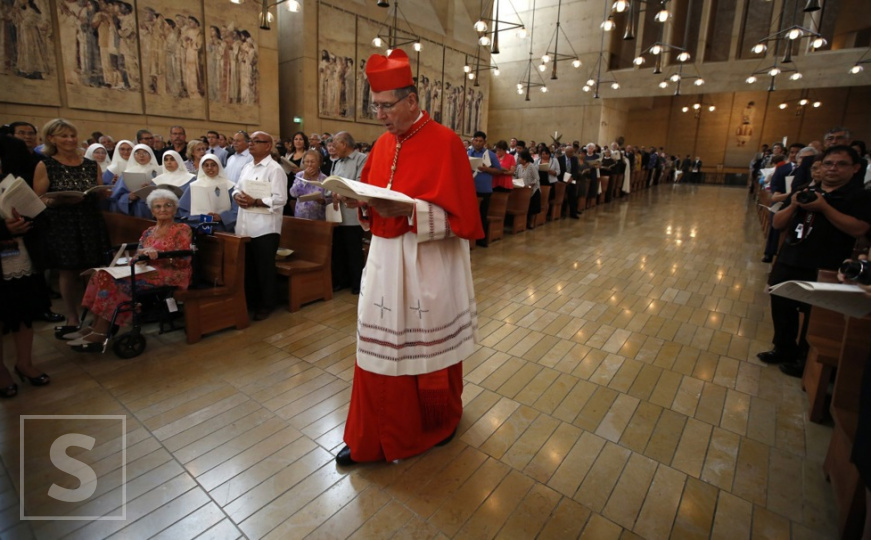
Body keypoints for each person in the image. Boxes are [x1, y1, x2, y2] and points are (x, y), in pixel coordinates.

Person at [336, 49, 483, 466]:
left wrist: (412, 211)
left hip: (429, 262)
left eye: (386, 106)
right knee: (378, 349)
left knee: (426, 349)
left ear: (411, 101)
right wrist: (360, 202)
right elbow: (373, 194)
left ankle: (437, 421)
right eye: (375, 106)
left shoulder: (446, 142)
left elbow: (465, 221)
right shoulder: (382, 145)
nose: (380, 115)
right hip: (384, 260)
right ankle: (373, 434)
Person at [758, 145, 871, 376]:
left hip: (826, 262)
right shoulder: (804, 190)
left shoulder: (859, 196)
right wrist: (794, 205)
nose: (833, 169)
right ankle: (783, 347)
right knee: (781, 304)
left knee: (815, 313)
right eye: (828, 163)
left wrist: (824, 207)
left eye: (841, 164)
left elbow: (859, 229)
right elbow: (778, 223)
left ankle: (804, 359)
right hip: (791, 256)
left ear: (855, 168)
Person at [66, 189, 192, 351]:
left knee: (115, 282)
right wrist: (142, 253)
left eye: (168, 205)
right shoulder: (148, 232)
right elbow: (139, 252)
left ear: (175, 209)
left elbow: (183, 260)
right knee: (100, 275)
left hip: (170, 272)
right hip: (145, 268)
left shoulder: (182, 229)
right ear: (152, 211)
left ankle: (101, 331)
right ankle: (95, 325)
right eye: (158, 206)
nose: (163, 209)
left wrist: (159, 255)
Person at [33, 119, 110, 333]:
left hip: (89, 220)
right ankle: (72, 316)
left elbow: (99, 191)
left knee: (93, 270)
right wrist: (58, 200)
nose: (69, 140)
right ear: (51, 138)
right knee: (68, 271)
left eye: (72, 135)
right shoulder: (46, 164)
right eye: (63, 136)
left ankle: (97, 317)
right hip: (63, 223)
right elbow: (38, 199)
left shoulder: (90, 164)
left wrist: (102, 193)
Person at [0, 135, 51, 397]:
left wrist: (30, 215)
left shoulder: (11, 181)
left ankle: (25, 363)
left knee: (23, 310)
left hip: (18, 254)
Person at [233, 131, 286, 321]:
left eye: (257, 141)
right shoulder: (247, 167)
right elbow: (236, 187)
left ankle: (267, 303)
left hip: (265, 228)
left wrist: (256, 201)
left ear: (268, 146)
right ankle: (252, 301)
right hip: (245, 225)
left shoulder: (274, 169)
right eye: (251, 141)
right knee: (249, 267)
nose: (251, 144)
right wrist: (237, 196)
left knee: (264, 269)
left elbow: (280, 199)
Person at [328, 131, 368, 294]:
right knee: (338, 250)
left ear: (344, 144)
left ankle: (357, 283)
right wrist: (331, 192)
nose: (332, 148)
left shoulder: (361, 159)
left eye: (335, 144)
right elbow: (331, 181)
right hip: (337, 213)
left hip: (352, 213)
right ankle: (342, 280)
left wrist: (340, 193)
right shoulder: (337, 162)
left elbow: (360, 183)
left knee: (353, 251)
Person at [178, 154, 237, 232]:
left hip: (222, 229)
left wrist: (221, 217)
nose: (210, 168)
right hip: (198, 229)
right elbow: (183, 211)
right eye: (206, 165)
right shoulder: (194, 186)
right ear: (202, 168)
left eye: (213, 165)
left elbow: (237, 210)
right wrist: (201, 217)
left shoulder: (230, 186)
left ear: (219, 166)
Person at [111, 143, 160, 218]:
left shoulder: (158, 172)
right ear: (133, 155)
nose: (141, 155)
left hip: (155, 210)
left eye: (145, 153)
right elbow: (117, 196)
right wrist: (129, 197)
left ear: (150, 155)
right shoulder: (128, 173)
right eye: (138, 153)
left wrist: (149, 190)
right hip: (134, 211)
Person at [469, 131, 499, 247]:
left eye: (480, 141)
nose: (477, 143)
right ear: (473, 141)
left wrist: (486, 169)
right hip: (470, 189)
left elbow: (498, 171)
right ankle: (470, 238)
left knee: (482, 215)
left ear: (485, 142)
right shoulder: (468, 153)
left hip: (485, 189)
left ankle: (481, 239)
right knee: (471, 215)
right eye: (476, 140)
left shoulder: (490, 154)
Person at [289, 150, 328, 220]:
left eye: (312, 162)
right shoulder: (300, 175)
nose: (309, 164)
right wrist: (304, 178)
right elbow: (293, 193)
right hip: (300, 216)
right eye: (307, 162)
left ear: (319, 163)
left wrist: (323, 201)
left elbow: (330, 199)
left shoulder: (324, 178)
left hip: (318, 217)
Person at [514, 150, 540, 229]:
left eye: (520, 157)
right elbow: (516, 176)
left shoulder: (531, 166)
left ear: (525, 159)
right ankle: (523, 223)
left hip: (533, 190)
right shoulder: (519, 166)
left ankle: (531, 223)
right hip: (522, 189)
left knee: (532, 207)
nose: (518, 158)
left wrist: (530, 186)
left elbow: (536, 178)